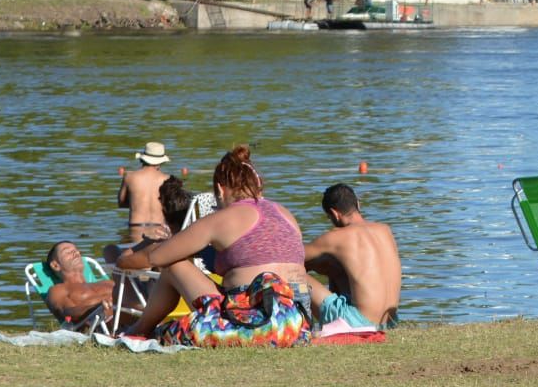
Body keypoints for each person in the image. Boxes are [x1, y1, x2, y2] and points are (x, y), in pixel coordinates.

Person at [117, 144, 310, 347]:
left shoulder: (222, 217)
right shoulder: (285, 214)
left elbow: (154, 258)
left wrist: (125, 257)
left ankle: (138, 331)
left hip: (253, 326)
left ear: (220, 189)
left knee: (173, 265)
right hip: (297, 326)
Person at [303, 184, 402, 329]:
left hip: (357, 323)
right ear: (358, 204)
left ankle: (296, 328)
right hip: (389, 322)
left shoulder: (337, 237)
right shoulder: (385, 230)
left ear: (334, 214)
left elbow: (291, 256)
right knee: (334, 266)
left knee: (292, 272)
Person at [105, 142, 173, 261]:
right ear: (161, 162)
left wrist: (136, 203)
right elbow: (171, 208)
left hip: (135, 229)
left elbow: (121, 202)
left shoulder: (129, 177)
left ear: (142, 159)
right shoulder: (167, 179)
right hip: (159, 229)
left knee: (130, 260)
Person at [41, 241, 117, 326]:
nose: (76, 253)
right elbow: (68, 313)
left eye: (77, 250)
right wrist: (98, 306)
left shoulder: (108, 282)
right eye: (68, 252)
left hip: (129, 313)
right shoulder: (58, 290)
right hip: (103, 323)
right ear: (55, 265)